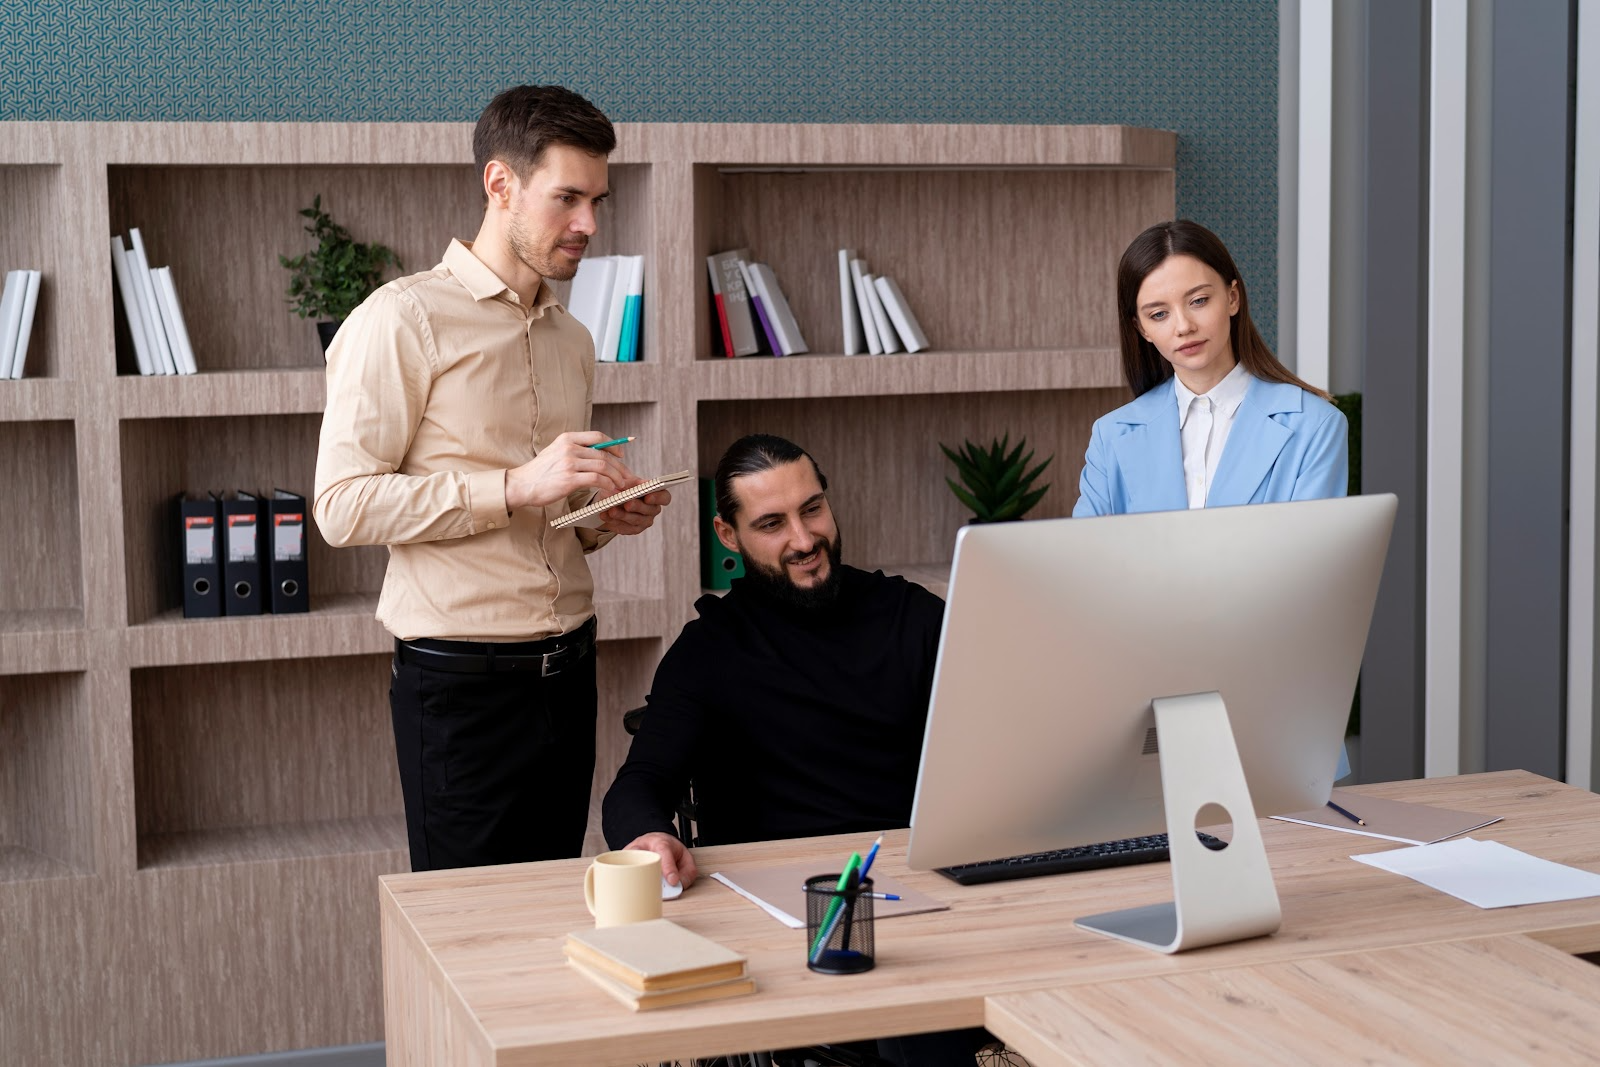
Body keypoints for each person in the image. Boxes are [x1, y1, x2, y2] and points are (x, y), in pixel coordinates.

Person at [313, 84, 671, 873]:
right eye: (567, 198)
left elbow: (552, 517)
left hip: (571, 672)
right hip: (462, 693)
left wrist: (602, 517)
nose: (589, 225)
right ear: (500, 184)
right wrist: (511, 485)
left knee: (548, 921)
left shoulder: (574, 339)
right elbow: (340, 507)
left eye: (598, 201)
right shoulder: (399, 319)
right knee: (471, 941)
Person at [602, 433, 991, 1067]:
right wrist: (647, 836)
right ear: (728, 535)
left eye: (812, 510)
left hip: (924, 893)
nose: (804, 540)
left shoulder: (912, 615)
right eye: (772, 523)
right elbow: (638, 785)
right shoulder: (708, 652)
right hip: (786, 917)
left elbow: (997, 736)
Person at [1073, 219, 1348, 517]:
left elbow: (1310, 557)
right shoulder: (1110, 436)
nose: (1183, 326)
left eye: (1199, 300)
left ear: (1232, 298)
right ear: (1142, 329)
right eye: (1159, 314)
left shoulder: (1316, 425)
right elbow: (1086, 557)